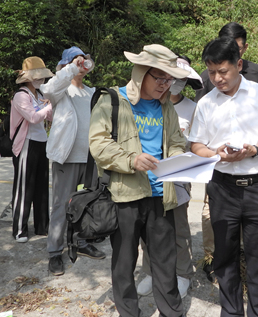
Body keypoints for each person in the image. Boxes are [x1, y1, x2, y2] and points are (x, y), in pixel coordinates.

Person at [189, 37, 258, 317]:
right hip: (222, 188)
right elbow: (195, 144)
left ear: (239, 64)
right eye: (211, 72)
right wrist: (215, 153)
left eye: (223, 71)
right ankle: (231, 312)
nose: (218, 78)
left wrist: (255, 149)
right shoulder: (206, 103)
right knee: (225, 257)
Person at [89, 44, 190, 317]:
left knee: (165, 262)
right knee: (124, 263)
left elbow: (177, 143)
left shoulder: (165, 106)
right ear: (141, 73)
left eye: (169, 79)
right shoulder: (112, 101)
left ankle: (172, 312)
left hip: (161, 196)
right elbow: (98, 144)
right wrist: (132, 160)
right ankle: (129, 312)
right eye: (159, 77)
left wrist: (178, 158)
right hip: (125, 196)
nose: (165, 85)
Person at [195, 22, 258, 282]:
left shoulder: (255, 73)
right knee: (210, 211)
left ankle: (239, 256)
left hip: (247, 158)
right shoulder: (206, 75)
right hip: (215, 159)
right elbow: (201, 114)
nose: (219, 77)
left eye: (238, 47)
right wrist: (210, 150)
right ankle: (212, 257)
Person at [136, 55, 202, 299]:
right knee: (149, 228)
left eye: (181, 80)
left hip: (177, 178)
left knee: (179, 229)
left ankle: (182, 273)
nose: (174, 84)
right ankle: (151, 271)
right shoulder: (147, 103)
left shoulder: (192, 108)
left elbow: (197, 143)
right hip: (148, 178)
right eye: (170, 78)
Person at [41, 47, 105, 276]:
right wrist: (69, 68)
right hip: (66, 157)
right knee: (61, 204)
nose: (82, 64)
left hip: (90, 157)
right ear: (66, 65)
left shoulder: (91, 92)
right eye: (77, 61)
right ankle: (55, 252)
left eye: (84, 60)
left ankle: (82, 241)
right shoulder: (61, 91)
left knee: (87, 203)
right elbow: (47, 88)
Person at [11, 57, 53, 243]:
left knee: (41, 186)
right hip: (26, 143)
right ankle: (19, 230)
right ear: (27, 77)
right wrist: (48, 107)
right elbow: (33, 118)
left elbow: (49, 117)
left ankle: (42, 226)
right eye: (37, 76)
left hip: (42, 142)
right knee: (24, 187)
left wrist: (49, 107)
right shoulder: (21, 95)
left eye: (42, 76)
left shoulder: (40, 93)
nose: (40, 80)